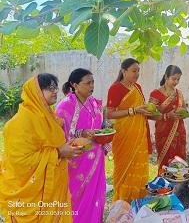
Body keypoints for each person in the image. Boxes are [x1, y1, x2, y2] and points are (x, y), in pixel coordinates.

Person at [0, 74, 81, 222]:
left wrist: (66, 148)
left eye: (55, 87)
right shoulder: (19, 123)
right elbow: (20, 161)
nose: (55, 91)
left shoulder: (49, 117)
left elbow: (55, 144)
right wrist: (58, 152)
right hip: (31, 195)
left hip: (55, 186)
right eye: (50, 88)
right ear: (35, 92)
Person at [55, 68, 106, 223]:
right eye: (87, 83)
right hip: (76, 160)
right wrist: (81, 132)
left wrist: (104, 133)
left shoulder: (93, 102)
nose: (91, 86)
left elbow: (99, 126)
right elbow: (60, 135)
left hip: (96, 157)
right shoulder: (65, 106)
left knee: (96, 196)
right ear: (74, 85)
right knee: (76, 197)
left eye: (93, 82)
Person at [106, 58, 152, 202]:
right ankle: (123, 202)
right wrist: (133, 110)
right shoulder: (116, 88)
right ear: (124, 71)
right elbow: (109, 113)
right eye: (134, 71)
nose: (137, 74)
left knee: (140, 168)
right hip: (124, 135)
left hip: (140, 134)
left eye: (138, 71)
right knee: (124, 169)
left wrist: (146, 111)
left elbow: (141, 108)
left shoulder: (137, 87)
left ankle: (138, 201)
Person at [149, 65, 188, 172]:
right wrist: (166, 116)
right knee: (165, 162)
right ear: (166, 77)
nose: (176, 82)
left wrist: (184, 112)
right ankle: (164, 186)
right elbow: (149, 114)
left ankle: (179, 186)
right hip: (164, 133)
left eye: (178, 79)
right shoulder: (156, 94)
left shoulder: (179, 93)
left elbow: (184, 108)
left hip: (179, 131)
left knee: (179, 161)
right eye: (174, 79)